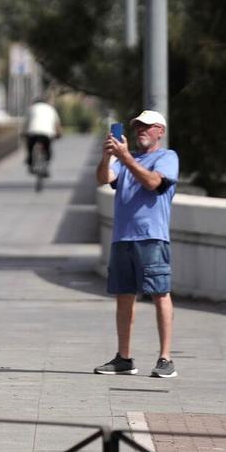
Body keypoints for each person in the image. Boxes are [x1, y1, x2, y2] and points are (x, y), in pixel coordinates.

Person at [93, 109, 179, 378]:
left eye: (147, 126)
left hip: (152, 236)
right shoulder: (124, 160)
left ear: (160, 131)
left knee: (160, 293)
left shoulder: (166, 157)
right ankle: (124, 358)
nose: (141, 130)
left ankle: (165, 358)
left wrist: (126, 157)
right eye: (137, 127)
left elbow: (153, 183)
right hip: (123, 237)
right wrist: (108, 155)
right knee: (123, 297)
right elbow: (103, 178)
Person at [22, 95, 62, 171]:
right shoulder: (51, 109)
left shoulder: (31, 108)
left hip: (33, 132)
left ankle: (30, 161)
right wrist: (59, 134)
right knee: (48, 149)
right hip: (47, 133)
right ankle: (46, 164)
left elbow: (25, 124)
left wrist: (23, 133)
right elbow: (57, 124)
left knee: (30, 146)